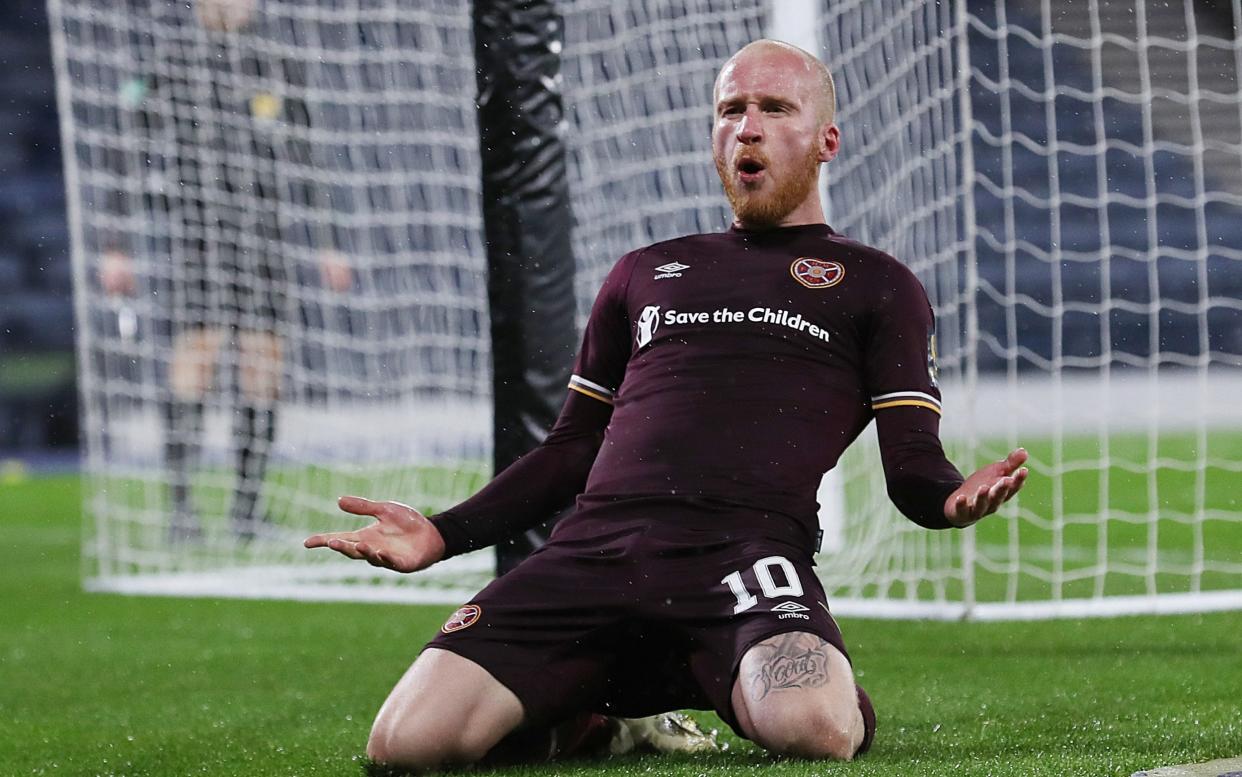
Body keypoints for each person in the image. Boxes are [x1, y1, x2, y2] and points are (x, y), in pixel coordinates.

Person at [305, 39, 1029, 769]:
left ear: (825, 141)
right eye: (731, 109)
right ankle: (597, 721)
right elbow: (570, 450)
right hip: (592, 555)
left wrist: (947, 499)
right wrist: (440, 532)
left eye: (775, 108)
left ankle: (778, 680)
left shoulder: (877, 284)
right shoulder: (645, 272)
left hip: (743, 556)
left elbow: (911, 462)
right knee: (402, 748)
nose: (748, 126)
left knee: (818, 731)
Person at [100, 0, 350, 541]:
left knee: (264, 364)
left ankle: (247, 510)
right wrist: (116, 245)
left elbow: (308, 159)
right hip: (196, 233)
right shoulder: (169, 60)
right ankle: (181, 510)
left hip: (264, 236)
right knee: (198, 357)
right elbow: (128, 151)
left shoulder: (274, 62)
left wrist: (330, 244)